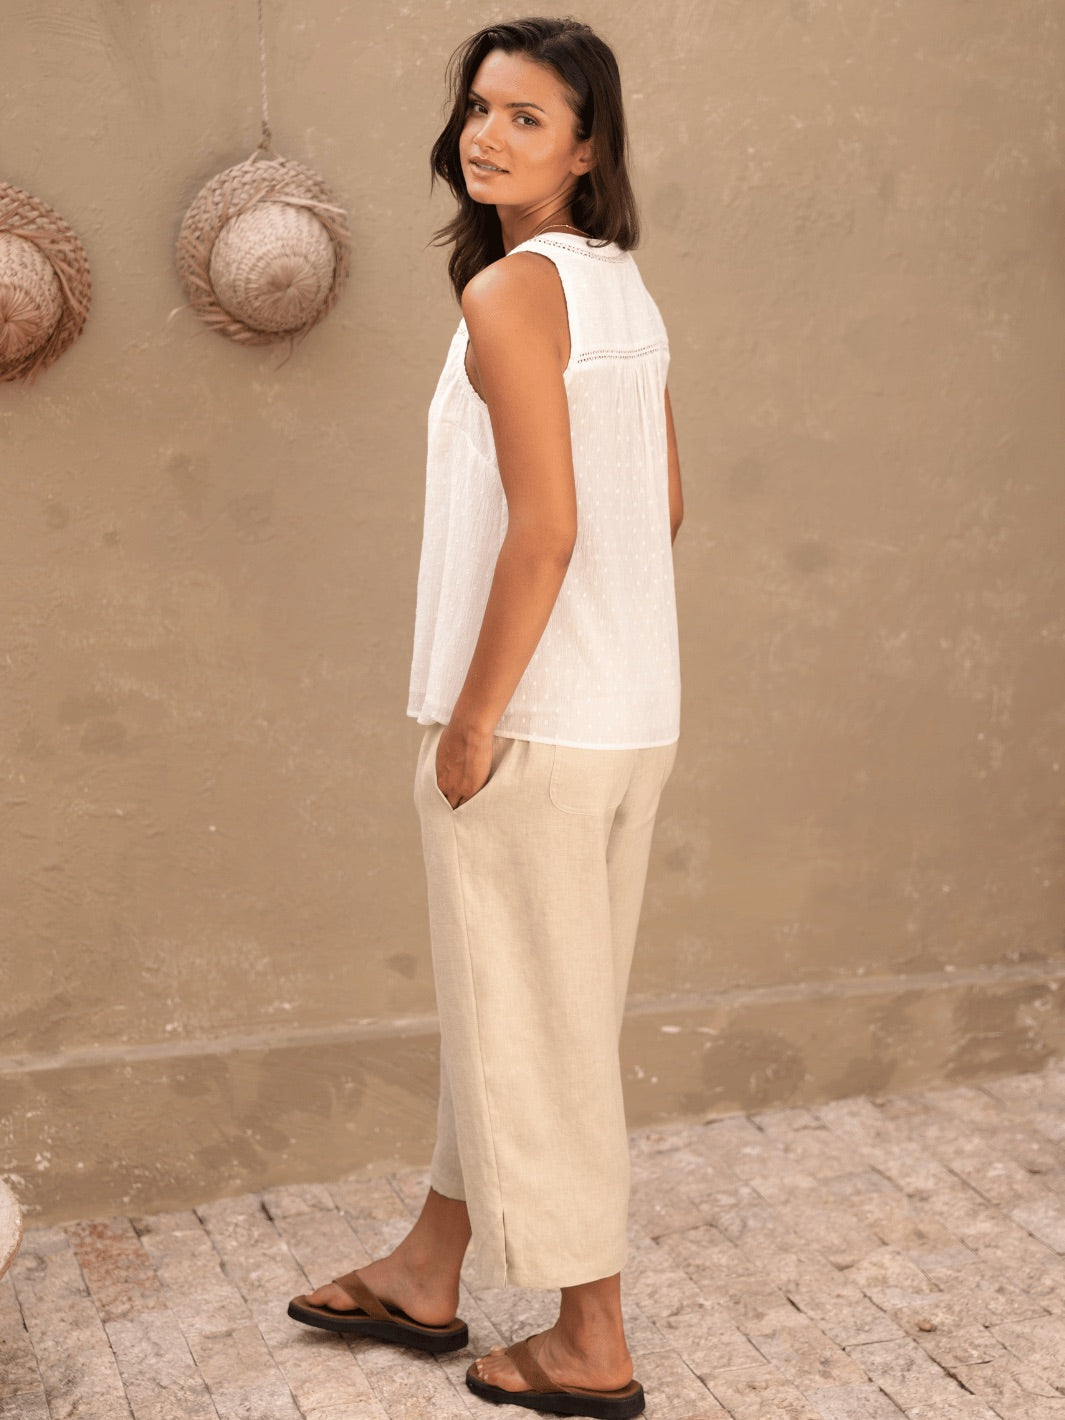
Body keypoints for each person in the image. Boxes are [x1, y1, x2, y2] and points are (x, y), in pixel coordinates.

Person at [288, 17, 682, 1418]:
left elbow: (548, 528)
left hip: (534, 727)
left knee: (540, 1036)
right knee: (522, 1007)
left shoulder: (512, 294)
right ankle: (428, 1265)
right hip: (630, 713)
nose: (488, 134)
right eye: (479, 107)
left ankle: (591, 1339)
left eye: (527, 116)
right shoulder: (619, 288)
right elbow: (661, 507)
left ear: (586, 148)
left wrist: (474, 719)